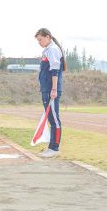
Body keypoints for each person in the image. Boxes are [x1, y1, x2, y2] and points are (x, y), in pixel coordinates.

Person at [35, 28, 65, 158]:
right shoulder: (47, 50)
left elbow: (55, 70)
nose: (39, 42)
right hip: (46, 89)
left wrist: (53, 89)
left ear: (48, 37)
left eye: (40, 39)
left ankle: (55, 148)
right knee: (51, 118)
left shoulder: (53, 49)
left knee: (54, 119)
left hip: (51, 90)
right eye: (38, 41)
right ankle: (51, 147)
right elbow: (44, 72)